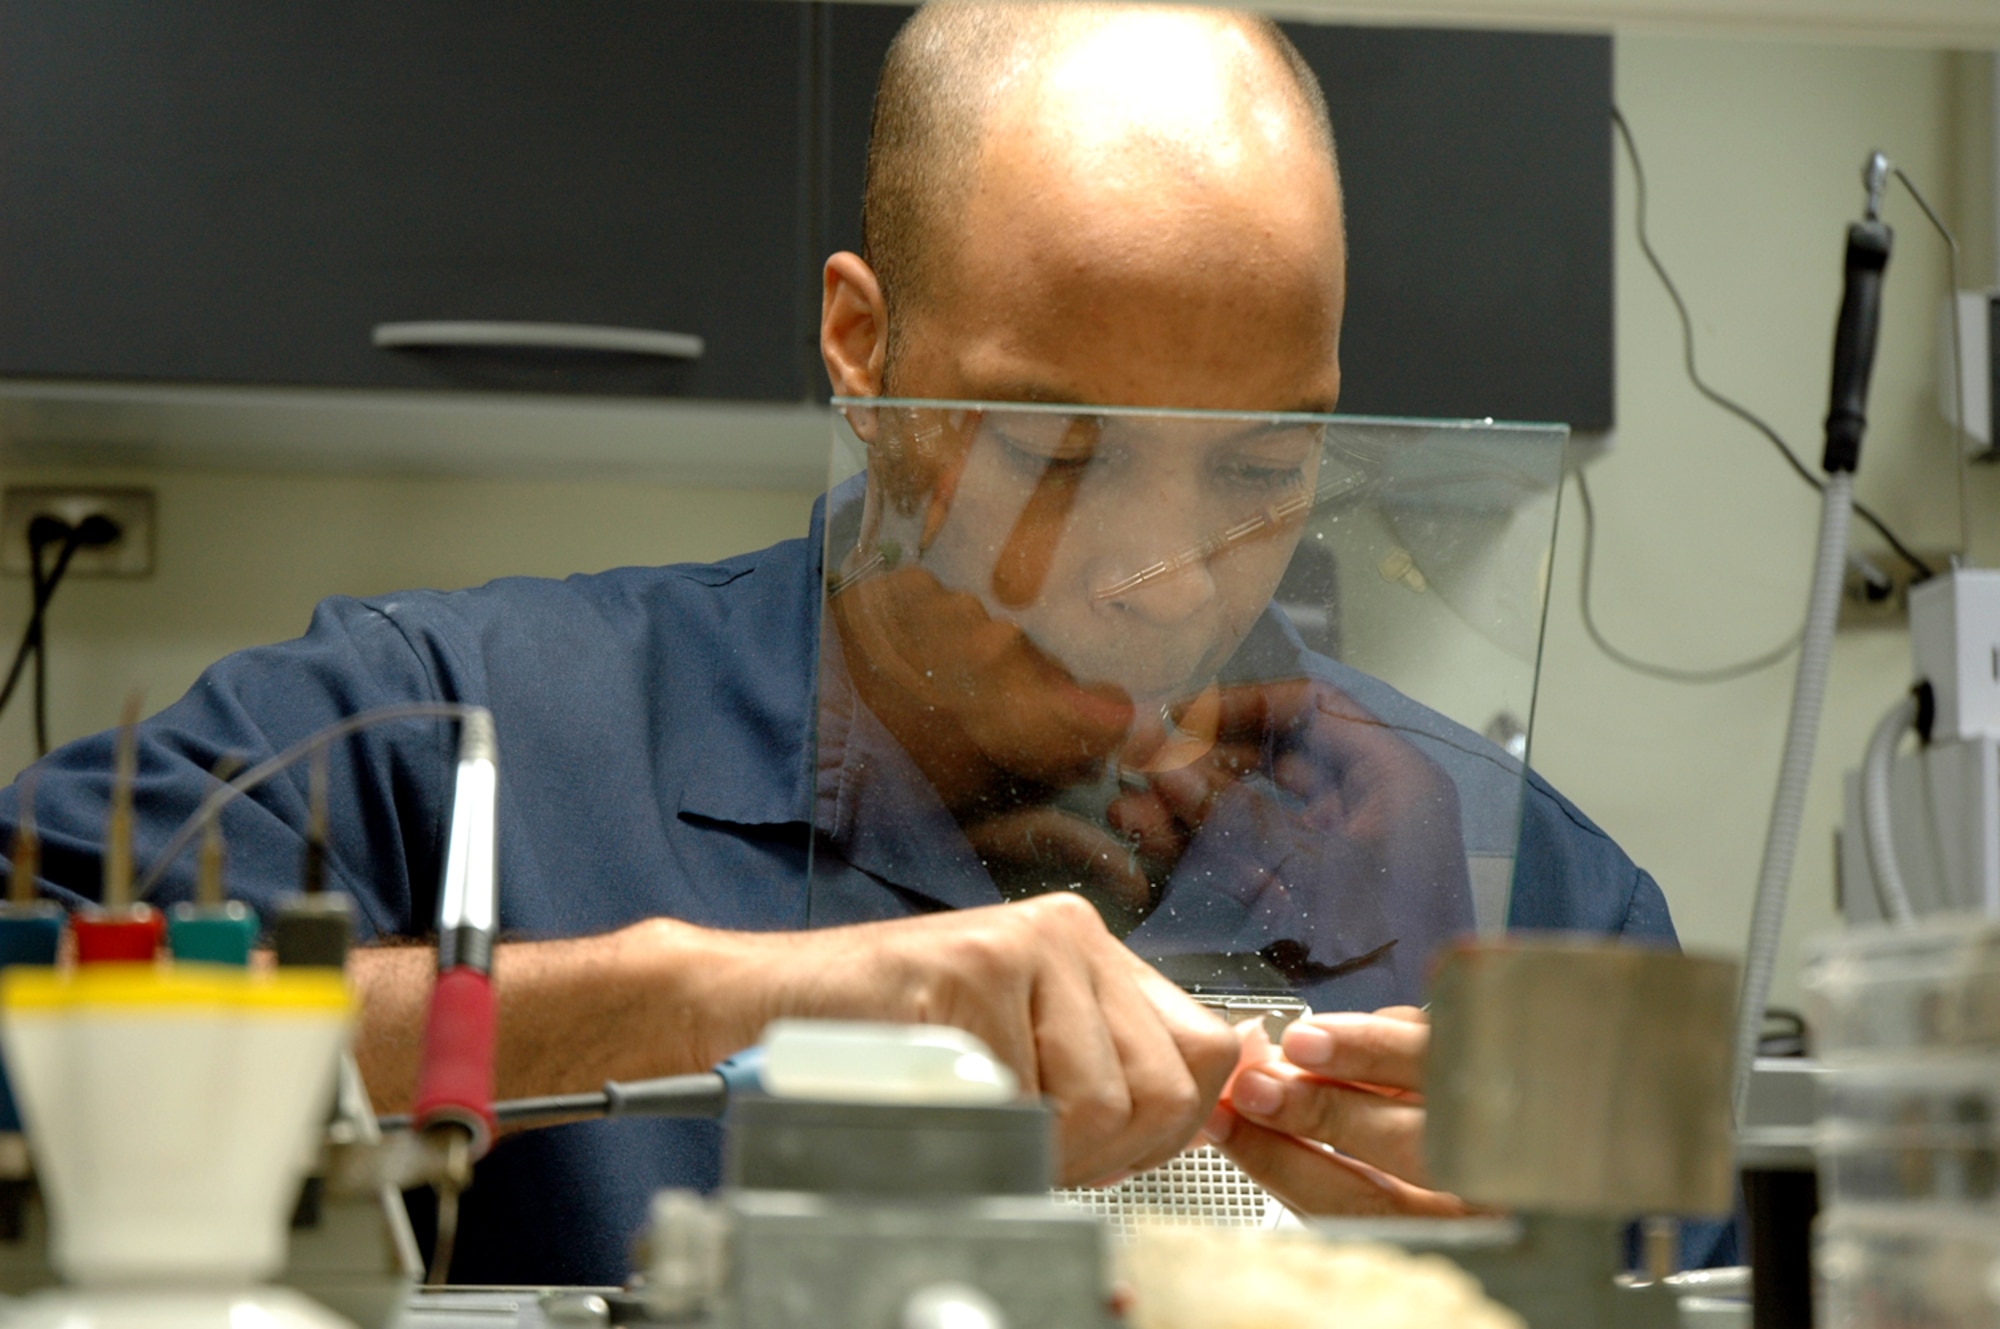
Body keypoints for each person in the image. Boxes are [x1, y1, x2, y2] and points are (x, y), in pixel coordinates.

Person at [0, 2, 1689, 1284]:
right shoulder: (471, 740)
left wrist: (1547, 1280)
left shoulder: (1538, 904)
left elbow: (1706, 1268)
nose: (1162, 581)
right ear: (860, 347)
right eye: (1056, 453)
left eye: (1261, 468)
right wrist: (685, 1003)